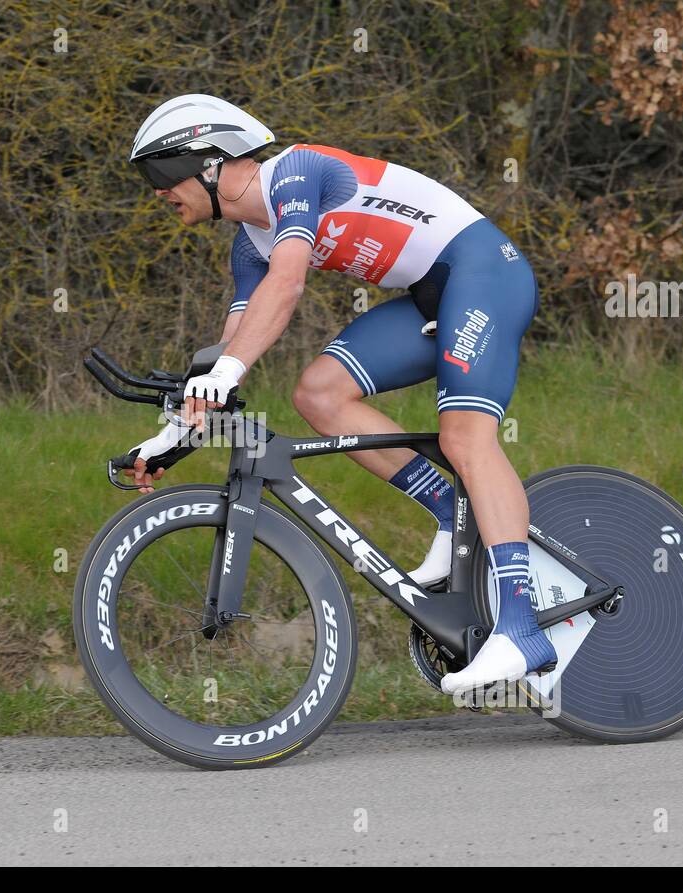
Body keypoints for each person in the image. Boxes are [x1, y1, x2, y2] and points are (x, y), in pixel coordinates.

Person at [123, 94, 552, 693]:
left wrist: (223, 373)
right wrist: (172, 436)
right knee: (319, 395)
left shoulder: (295, 173)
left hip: (485, 274)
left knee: (465, 438)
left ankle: (521, 629)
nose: (157, 191)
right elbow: (233, 352)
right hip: (433, 297)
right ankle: (450, 509)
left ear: (213, 161)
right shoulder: (250, 244)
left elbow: (290, 281)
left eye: (162, 173)